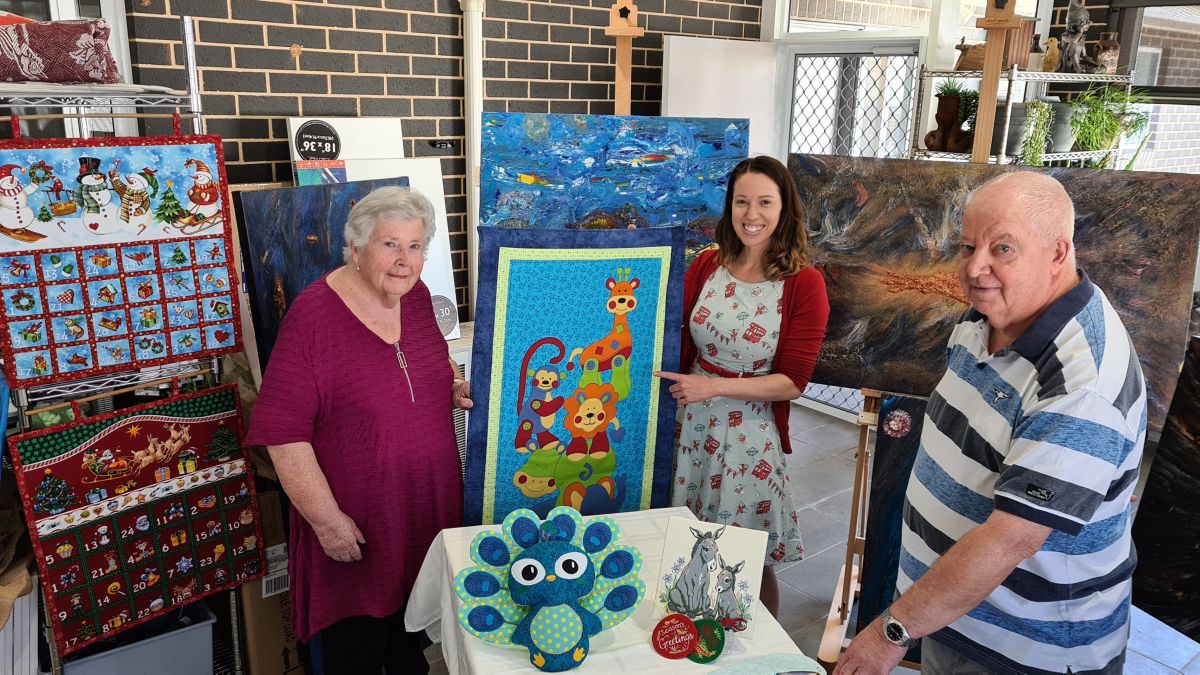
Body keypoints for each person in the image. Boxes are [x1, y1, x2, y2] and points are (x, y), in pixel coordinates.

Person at [835, 172, 1145, 675]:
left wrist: (893, 631)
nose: (976, 268)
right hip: (952, 615)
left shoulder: (1082, 385)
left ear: (1057, 253)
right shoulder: (988, 316)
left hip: (1025, 651)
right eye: (967, 246)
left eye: (1003, 248)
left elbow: (1012, 539)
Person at [246, 186, 471, 675]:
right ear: (355, 248)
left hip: (423, 512)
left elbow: (426, 367)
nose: (404, 261)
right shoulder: (313, 318)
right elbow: (283, 433)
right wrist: (327, 523)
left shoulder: (417, 301)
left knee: (409, 650)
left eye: (415, 247)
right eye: (390, 244)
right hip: (359, 524)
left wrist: (451, 385)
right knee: (356, 653)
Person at [655, 155, 830, 618]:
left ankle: (759, 656)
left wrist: (712, 389)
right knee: (686, 549)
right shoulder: (708, 265)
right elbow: (674, 335)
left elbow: (793, 382)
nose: (752, 215)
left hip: (747, 436)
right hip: (690, 426)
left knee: (745, 560)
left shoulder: (804, 283)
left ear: (784, 208)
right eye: (742, 202)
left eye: (765, 203)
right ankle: (692, 642)